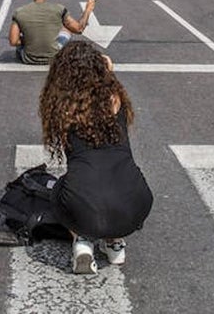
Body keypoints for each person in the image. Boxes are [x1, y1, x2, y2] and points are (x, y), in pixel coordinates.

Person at [39, 40, 153, 275]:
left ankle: (82, 242)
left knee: (61, 190)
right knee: (112, 187)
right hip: (137, 203)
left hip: (85, 205)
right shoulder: (115, 98)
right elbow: (108, 75)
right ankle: (115, 244)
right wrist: (106, 67)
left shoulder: (64, 107)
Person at [9, 0, 98, 65]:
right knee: (66, 31)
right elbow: (79, 29)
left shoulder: (19, 12)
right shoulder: (59, 9)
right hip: (54, 58)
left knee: (22, 40)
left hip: (29, 59)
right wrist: (88, 10)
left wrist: (26, 40)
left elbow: (13, 41)